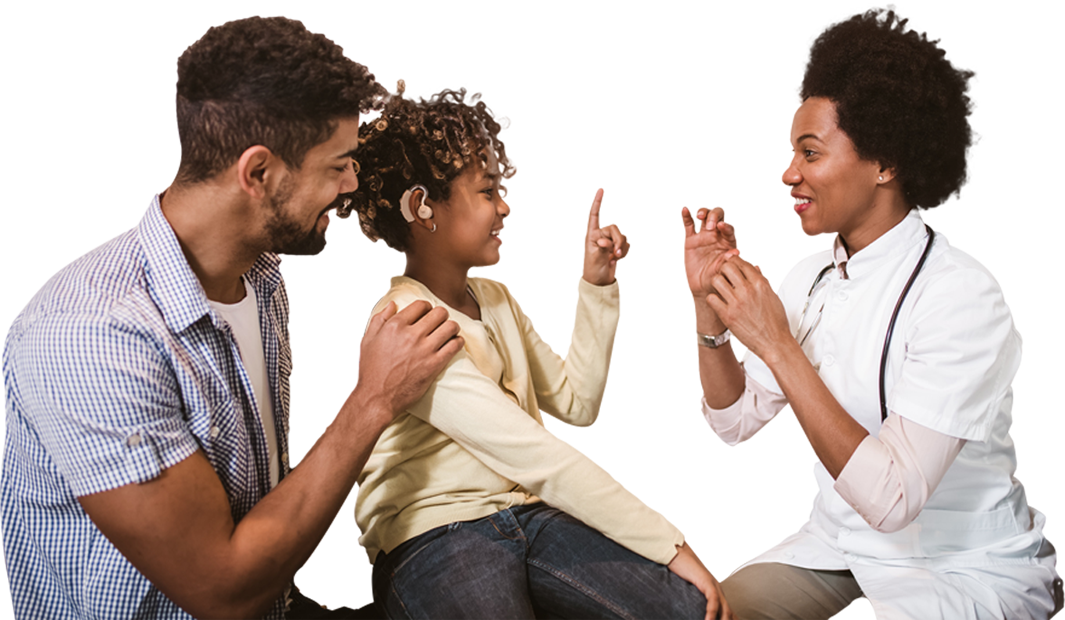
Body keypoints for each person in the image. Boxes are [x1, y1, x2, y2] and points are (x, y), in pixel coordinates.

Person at [0, 16, 464, 620]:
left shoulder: (262, 274)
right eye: (337, 165)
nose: (352, 183)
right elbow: (221, 590)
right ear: (258, 173)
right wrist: (374, 398)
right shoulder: (91, 337)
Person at [682, 4, 1064, 619]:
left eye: (810, 153)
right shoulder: (809, 278)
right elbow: (733, 423)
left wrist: (777, 343)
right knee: (708, 613)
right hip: (837, 546)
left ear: (885, 163)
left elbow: (893, 499)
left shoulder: (962, 295)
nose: (788, 173)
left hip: (957, 561)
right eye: (790, 153)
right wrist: (711, 311)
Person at [340, 81, 731, 620]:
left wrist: (596, 286)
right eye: (486, 192)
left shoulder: (495, 299)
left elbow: (577, 404)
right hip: (435, 535)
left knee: (687, 609)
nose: (504, 207)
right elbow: (537, 455)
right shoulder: (408, 323)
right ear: (422, 207)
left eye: (503, 190)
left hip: (528, 515)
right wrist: (671, 545)